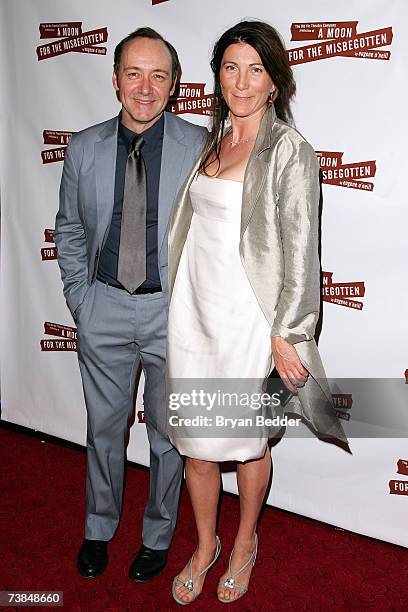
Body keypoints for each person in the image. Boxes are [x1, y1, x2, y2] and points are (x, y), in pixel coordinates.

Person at [166, 20, 347, 604]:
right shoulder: (210, 141)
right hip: (194, 309)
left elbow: (301, 249)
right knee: (194, 440)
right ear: (217, 76)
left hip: (248, 318)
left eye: (256, 69)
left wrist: (287, 333)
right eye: (230, 67)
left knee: (246, 441)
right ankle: (204, 544)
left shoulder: (289, 151)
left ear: (275, 82)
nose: (242, 81)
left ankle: (244, 543)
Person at [54, 27, 206, 582]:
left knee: (169, 435)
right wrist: (80, 298)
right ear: (115, 79)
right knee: (104, 430)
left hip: (174, 313)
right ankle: (98, 527)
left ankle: (158, 535)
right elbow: (69, 227)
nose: (146, 87)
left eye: (159, 75)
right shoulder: (83, 147)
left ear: (174, 84)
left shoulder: (201, 146)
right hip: (105, 308)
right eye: (134, 74)